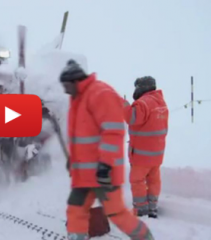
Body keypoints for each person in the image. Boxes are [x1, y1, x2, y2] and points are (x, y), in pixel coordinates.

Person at [60, 60, 154, 240]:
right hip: (84, 175)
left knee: (117, 214)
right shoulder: (79, 99)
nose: (64, 90)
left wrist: (105, 165)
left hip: (104, 174)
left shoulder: (100, 94)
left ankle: (145, 237)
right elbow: (83, 138)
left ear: (75, 81)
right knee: (76, 210)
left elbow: (113, 131)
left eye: (66, 85)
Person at [123, 76, 169, 218]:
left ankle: (141, 208)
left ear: (142, 87)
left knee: (137, 180)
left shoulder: (143, 103)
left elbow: (132, 118)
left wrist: (122, 104)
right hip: (157, 154)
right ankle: (152, 206)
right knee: (153, 180)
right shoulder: (161, 103)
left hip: (142, 155)